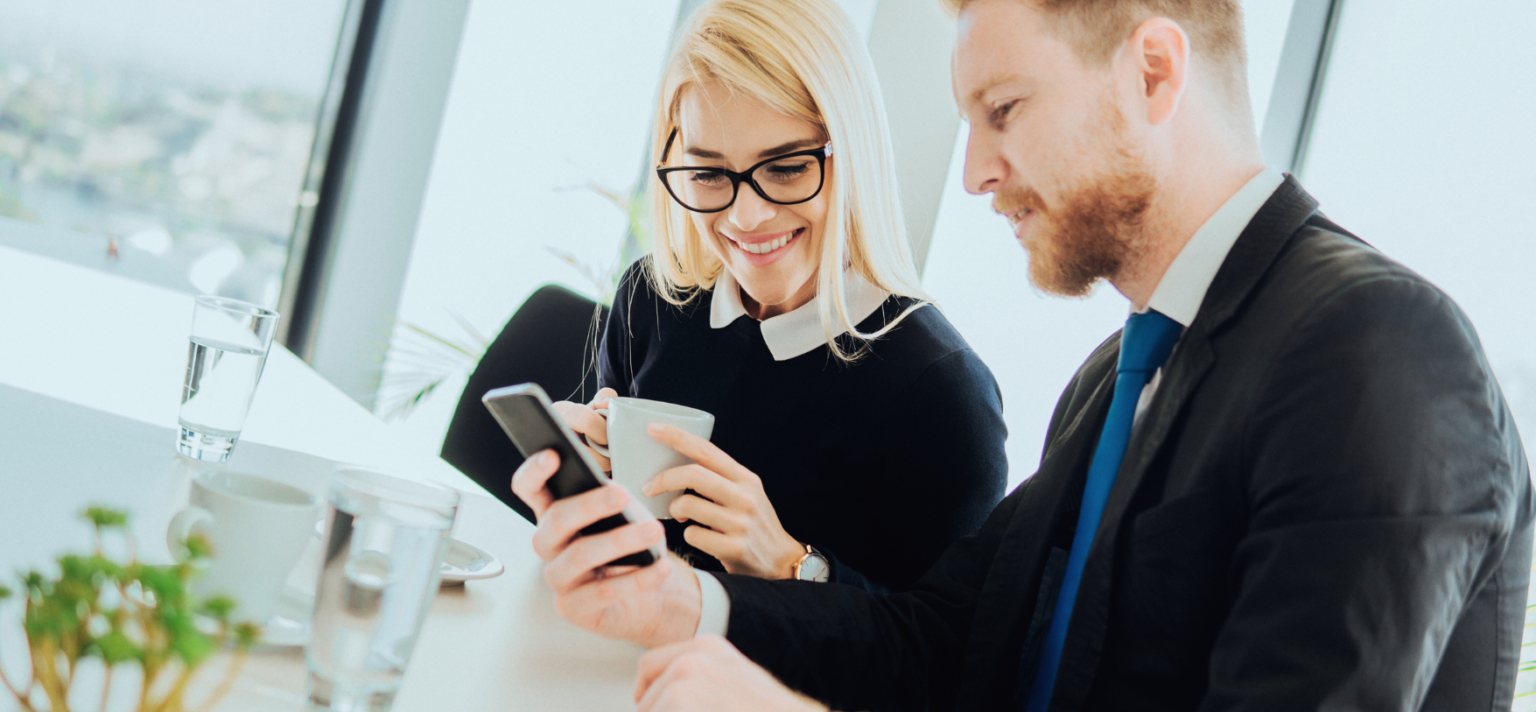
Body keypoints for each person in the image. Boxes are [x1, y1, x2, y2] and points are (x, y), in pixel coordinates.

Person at [515, 0, 1534, 709]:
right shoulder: (1121, 376)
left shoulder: (1376, 352)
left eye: (1003, 111)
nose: (973, 173)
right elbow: (948, 642)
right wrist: (685, 598)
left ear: (1153, 72)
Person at [547, 0, 1007, 593]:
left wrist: (791, 565)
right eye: (709, 174)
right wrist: (582, 494)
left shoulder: (940, 394)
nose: (746, 216)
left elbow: (939, 662)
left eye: (786, 168)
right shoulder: (652, 301)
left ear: (853, 154)